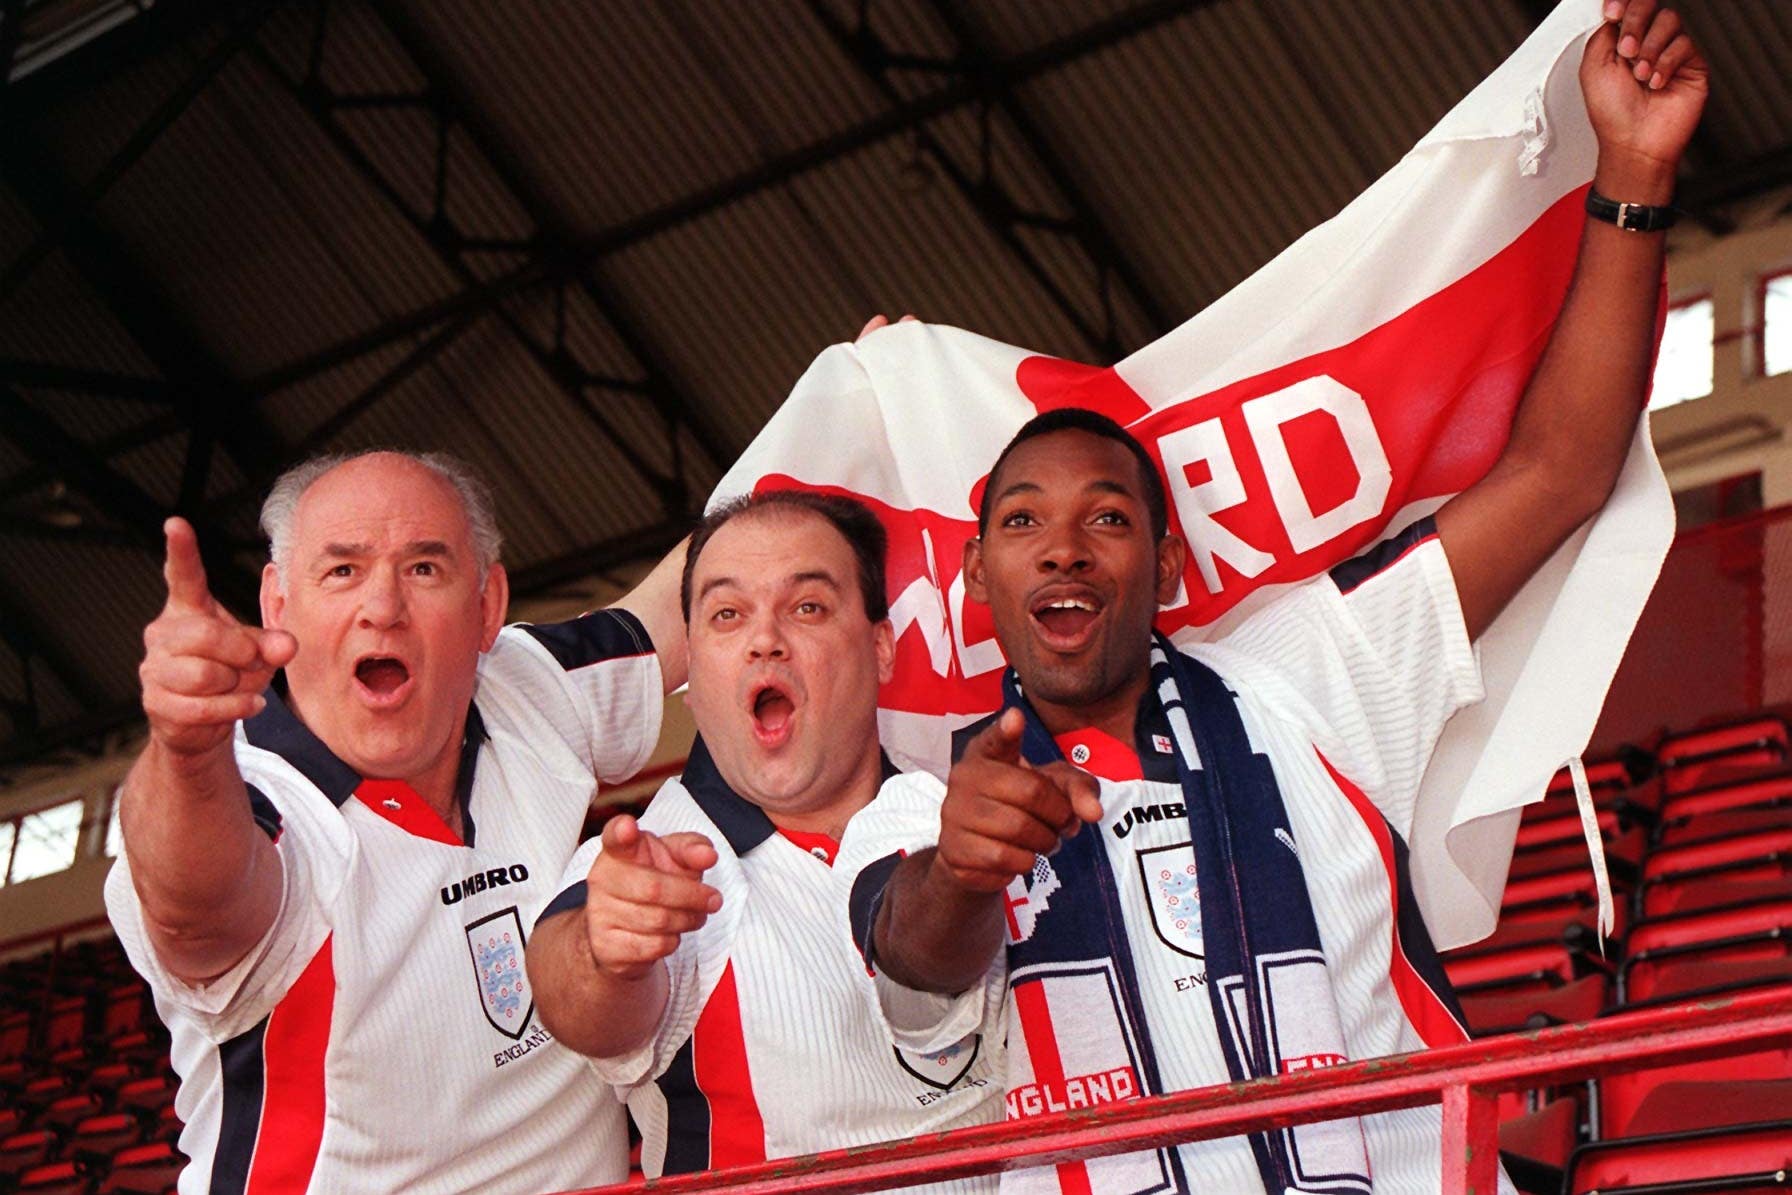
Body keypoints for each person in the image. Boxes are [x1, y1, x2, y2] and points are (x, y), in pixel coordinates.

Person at [843, 4, 1707, 1192]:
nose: (1062, 550)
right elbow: (913, 974)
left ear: (1169, 567)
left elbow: (1556, 471)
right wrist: (957, 870)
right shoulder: (912, 796)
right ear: (978, 585)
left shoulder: (1308, 673)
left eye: (1106, 516)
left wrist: (1634, 172)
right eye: (1020, 522)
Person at [106, 450, 687, 1194]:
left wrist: (865, 384)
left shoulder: (527, 689)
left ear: (487, 606)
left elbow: (714, 584)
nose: (382, 605)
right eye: (342, 570)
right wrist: (186, 750)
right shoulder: (255, 795)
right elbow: (196, 913)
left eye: (423, 568)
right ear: (278, 605)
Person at [526, 490, 1003, 1187]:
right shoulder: (646, 856)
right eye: (727, 614)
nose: (765, 638)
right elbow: (574, 990)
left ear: (880, 648)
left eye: (807, 606)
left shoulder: (960, 814)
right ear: (691, 668)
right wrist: (608, 950)